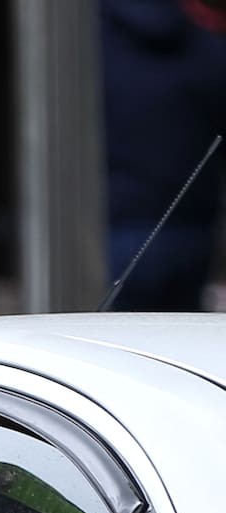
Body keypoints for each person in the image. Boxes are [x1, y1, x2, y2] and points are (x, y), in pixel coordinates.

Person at [100, 0, 226, 312]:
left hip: (113, 227)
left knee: (104, 348)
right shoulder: (203, 43)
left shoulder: (88, 47)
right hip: (190, 234)